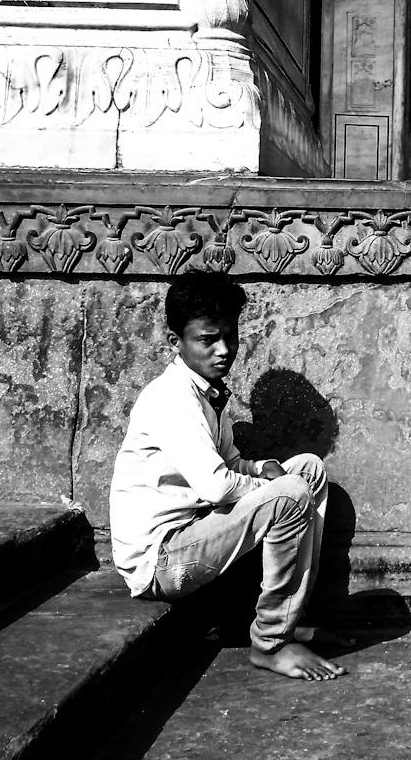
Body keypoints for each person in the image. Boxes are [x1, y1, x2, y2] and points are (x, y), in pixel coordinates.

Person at [109, 272, 347, 680]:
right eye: (207, 340)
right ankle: (271, 644)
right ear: (175, 343)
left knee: (308, 468)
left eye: (230, 337)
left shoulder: (208, 392)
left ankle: (290, 617)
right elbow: (217, 485)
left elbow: (229, 465)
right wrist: (271, 486)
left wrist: (257, 469)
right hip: (162, 560)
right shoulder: (170, 399)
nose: (223, 351)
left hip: (197, 531)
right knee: (289, 493)